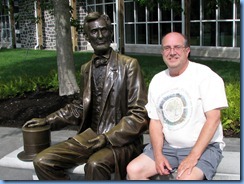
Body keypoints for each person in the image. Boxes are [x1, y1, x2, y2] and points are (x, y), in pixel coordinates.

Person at [23, 12, 148, 180]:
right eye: (94, 32)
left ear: (111, 33)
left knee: (96, 164)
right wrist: (48, 121)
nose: (100, 35)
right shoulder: (86, 69)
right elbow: (79, 107)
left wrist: (107, 137)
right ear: (87, 36)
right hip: (90, 136)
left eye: (104, 30)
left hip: (120, 140)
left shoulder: (129, 65)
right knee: (43, 161)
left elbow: (139, 114)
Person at [126, 32, 228, 180]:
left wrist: (193, 156)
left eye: (177, 47)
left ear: (187, 50)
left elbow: (214, 119)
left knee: (185, 178)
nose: (172, 52)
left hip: (205, 148)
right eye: (167, 48)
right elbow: (155, 121)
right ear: (162, 52)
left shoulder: (206, 76)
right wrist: (158, 154)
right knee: (134, 170)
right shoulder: (157, 80)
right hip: (168, 147)